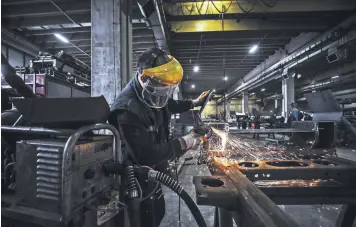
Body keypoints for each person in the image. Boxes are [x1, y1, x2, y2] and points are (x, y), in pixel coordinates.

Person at [108, 47, 210, 227]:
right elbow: (146, 154)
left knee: (159, 212)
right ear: (145, 78)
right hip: (135, 179)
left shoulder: (150, 93)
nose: (165, 91)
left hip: (153, 174)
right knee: (146, 220)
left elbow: (167, 103)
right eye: (162, 86)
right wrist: (185, 142)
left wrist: (193, 103)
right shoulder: (127, 110)